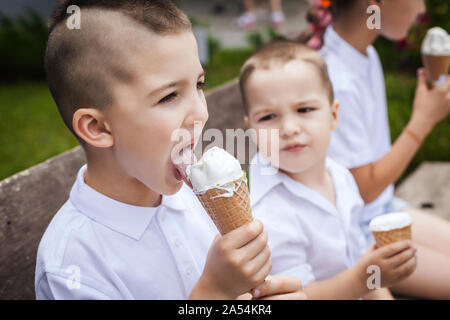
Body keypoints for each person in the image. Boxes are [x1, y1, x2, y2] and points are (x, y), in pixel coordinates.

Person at [35, 0, 306, 300]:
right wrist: (214, 292)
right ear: (98, 128)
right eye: (168, 96)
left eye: (199, 84)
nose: (201, 113)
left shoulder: (194, 200)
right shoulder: (73, 266)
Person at [239, 39, 417, 299]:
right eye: (268, 117)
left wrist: (373, 282)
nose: (289, 128)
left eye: (304, 109)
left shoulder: (340, 176)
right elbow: (300, 294)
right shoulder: (269, 213)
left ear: (334, 116)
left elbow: (359, 256)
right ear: (252, 130)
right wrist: (363, 277)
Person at [304, 0, 450, 299]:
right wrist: (421, 123)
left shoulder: (364, 54)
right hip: (360, 233)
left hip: (383, 210)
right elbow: (363, 189)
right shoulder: (338, 79)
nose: (422, 9)